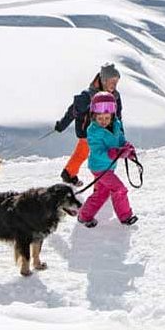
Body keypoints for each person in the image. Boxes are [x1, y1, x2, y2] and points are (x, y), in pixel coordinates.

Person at [53, 63, 122, 185]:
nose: (114, 85)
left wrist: (119, 133)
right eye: (112, 82)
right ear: (103, 80)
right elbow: (72, 111)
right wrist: (62, 125)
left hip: (106, 130)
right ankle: (100, 183)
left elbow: (118, 116)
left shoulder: (115, 96)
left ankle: (69, 173)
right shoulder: (88, 95)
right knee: (95, 154)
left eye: (116, 82)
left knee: (87, 153)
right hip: (88, 131)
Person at [76, 91, 137, 228]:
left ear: (112, 115)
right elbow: (97, 151)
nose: (103, 121)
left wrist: (127, 148)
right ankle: (126, 216)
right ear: (94, 116)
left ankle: (84, 216)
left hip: (109, 166)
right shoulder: (93, 131)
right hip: (99, 168)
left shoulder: (116, 124)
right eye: (100, 118)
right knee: (119, 189)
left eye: (106, 118)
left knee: (102, 193)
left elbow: (120, 139)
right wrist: (112, 153)